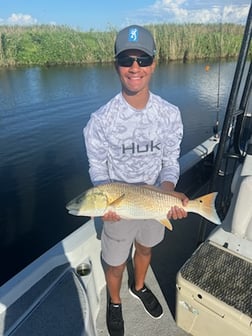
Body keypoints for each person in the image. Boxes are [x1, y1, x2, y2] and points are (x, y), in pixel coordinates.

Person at [84, 25, 188, 336]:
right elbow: (97, 168)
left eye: (142, 60)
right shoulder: (100, 121)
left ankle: (139, 286)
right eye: (126, 60)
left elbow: (170, 161)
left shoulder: (170, 114)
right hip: (118, 205)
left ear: (154, 63)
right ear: (116, 65)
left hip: (155, 202)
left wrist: (168, 193)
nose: (135, 68)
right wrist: (106, 203)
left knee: (145, 249)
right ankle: (115, 302)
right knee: (115, 263)